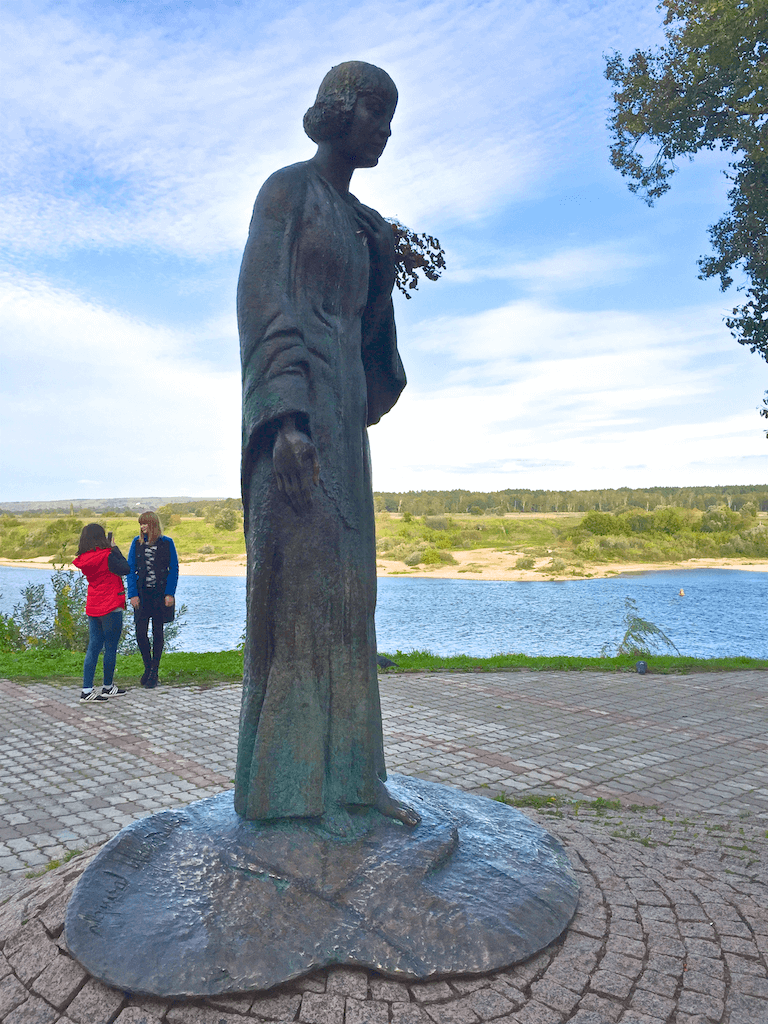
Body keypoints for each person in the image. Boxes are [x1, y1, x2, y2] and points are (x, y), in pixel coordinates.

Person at [235, 61, 419, 831]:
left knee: (350, 598)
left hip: (344, 424)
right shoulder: (287, 191)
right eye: (376, 112)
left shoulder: (360, 222)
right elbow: (260, 298)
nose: (384, 130)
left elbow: (372, 341)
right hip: (300, 421)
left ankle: (354, 777)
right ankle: (285, 793)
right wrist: (286, 420)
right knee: (300, 595)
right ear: (340, 111)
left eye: (390, 117)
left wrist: (381, 270)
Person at [73, 524, 131, 703]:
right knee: (111, 646)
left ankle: (87, 689)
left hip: (94, 604)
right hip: (111, 603)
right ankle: (107, 686)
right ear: (102, 537)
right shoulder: (108, 556)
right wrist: (115, 548)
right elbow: (125, 568)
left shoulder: (85, 559)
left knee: (94, 646)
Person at [127, 511, 178, 688]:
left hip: (160, 595)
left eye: (145, 523)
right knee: (140, 633)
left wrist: (170, 593)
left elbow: (174, 569)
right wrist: (132, 594)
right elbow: (130, 569)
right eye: (140, 524)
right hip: (142, 595)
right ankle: (148, 667)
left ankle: (154, 671)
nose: (142, 527)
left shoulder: (167, 543)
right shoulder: (136, 543)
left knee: (158, 633)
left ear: (153, 525)